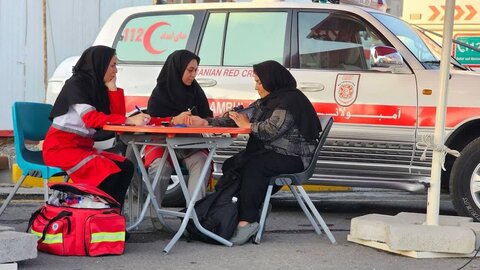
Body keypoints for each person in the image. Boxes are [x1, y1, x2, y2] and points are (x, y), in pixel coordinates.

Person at [213, 60, 322, 245]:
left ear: (272, 80)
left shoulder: (289, 101)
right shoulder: (268, 100)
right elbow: (243, 116)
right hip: (274, 153)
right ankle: (237, 211)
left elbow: (270, 130)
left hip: (294, 158)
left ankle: (247, 220)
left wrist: (247, 125)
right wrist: (211, 121)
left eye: (259, 82)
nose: (256, 87)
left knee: (254, 166)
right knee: (233, 163)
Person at [43, 45, 150, 208]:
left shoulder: (98, 87)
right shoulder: (77, 84)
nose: (116, 70)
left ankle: (113, 219)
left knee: (126, 166)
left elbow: (118, 119)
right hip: (61, 149)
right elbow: (91, 119)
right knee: (109, 174)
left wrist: (112, 88)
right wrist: (130, 120)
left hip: (82, 148)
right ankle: (99, 219)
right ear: (100, 64)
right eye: (113, 65)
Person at [145, 49, 214, 208]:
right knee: (160, 167)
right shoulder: (160, 93)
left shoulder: (196, 91)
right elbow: (150, 120)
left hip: (189, 142)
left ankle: (195, 215)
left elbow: (209, 117)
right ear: (177, 69)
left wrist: (202, 121)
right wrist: (172, 120)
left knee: (201, 162)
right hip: (162, 143)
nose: (193, 75)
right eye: (190, 70)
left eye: (196, 70)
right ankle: (155, 213)